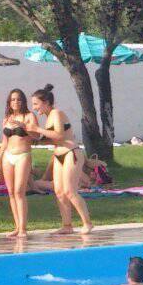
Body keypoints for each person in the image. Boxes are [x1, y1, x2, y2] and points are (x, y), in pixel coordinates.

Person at [31, 85, 92, 234]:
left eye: (36, 104)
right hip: (59, 155)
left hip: (71, 153)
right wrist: (33, 137)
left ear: (46, 102)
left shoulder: (57, 113)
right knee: (59, 191)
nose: (34, 108)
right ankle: (67, 226)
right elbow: (52, 140)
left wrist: (37, 129)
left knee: (70, 191)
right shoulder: (49, 118)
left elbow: (59, 135)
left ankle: (87, 223)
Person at [0, 89, 39, 237]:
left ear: (23, 101)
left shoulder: (29, 116)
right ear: (9, 102)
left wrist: (23, 126)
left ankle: (23, 228)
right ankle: (17, 226)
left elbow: (36, 136)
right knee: (11, 193)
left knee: (19, 191)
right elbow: (4, 142)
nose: (16, 102)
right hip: (8, 156)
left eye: (19, 99)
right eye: (13, 99)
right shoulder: (7, 119)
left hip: (23, 155)